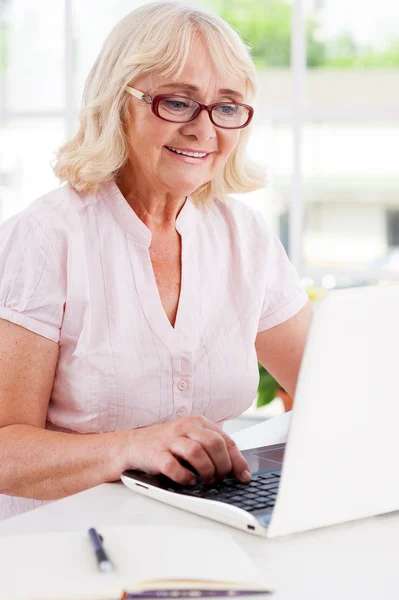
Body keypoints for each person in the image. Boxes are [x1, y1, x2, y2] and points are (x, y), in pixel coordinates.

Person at [0, 1, 312, 521]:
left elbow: (335, 389)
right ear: (118, 102)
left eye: (227, 106)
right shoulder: (45, 237)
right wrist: (129, 447)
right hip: (59, 547)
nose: (203, 129)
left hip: (205, 533)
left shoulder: (246, 237)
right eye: (178, 101)